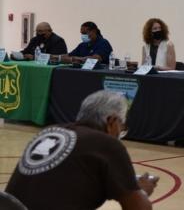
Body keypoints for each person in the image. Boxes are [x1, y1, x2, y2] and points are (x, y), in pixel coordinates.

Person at [6, 90, 158, 210]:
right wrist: (142, 191)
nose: (121, 131)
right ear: (111, 121)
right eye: (122, 125)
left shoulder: (49, 132)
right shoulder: (107, 144)